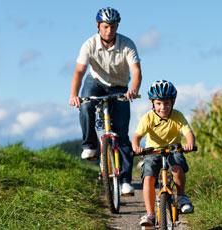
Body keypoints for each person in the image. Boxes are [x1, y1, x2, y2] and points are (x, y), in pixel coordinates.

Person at [68, 7, 142, 196]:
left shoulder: (127, 44)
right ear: (98, 26)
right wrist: (74, 94)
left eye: (113, 26)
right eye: (106, 26)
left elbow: (136, 71)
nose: (110, 30)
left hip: (119, 87)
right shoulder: (89, 45)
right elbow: (79, 71)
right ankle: (90, 146)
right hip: (96, 83)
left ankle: (125, 180)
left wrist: (133, 89)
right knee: (85, 107)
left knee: (122, 134)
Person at [131, 80, 195, 226]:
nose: (163, 107)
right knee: (148, 178)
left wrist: (190, 143)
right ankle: (150, 214)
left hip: (174, 149)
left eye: (167, 103)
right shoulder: (148, 118)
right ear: (152, 103)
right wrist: (136, 147)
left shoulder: (177, 116)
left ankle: (181, 197)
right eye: (159, 103)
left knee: (177, 167)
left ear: (173, 102)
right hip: (152, 151)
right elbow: (136, 137)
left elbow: (188, 133)